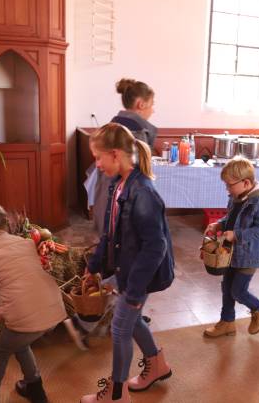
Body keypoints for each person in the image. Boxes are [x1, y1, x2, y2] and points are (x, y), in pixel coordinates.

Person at [81, 123, 174, 403]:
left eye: (98, 157)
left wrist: (133, 292)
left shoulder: (143, 192)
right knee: (130, 323)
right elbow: (109, 232)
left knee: (121, 327)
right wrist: (94, 265)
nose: (97, 165)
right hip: (127, 268)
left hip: (139, 274)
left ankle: (116, 395)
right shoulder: (117, 184)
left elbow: (155, 246)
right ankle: (157, 365)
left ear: (115, 154)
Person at [0, 200, 66, 403]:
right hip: (54, 308)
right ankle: (35, 388)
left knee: (0, 350)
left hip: (27, 316)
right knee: (20, 341)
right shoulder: (25, 243)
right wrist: (1, 311)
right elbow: (24, 287)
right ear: (4, 222)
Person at [203, 157, 259, 339]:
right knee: (226, 287)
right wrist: (219, 224)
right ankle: (227, 322)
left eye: (229, 185)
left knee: (238, 291)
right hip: (231, 253)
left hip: (248, 256)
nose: (227, 189)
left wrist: (237, 235)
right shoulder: (237, 196)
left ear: (246, 182)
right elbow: (231, 219)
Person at [91, 78, 158, 237]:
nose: (153, 110)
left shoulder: (112, 127)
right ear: (141, 104)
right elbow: (136, 178)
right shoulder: (136, 133)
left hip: (106, 198)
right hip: (122, 202)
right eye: (152, 104)